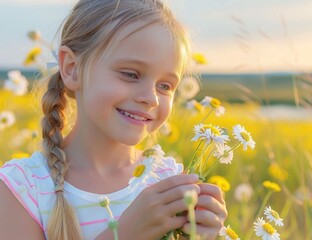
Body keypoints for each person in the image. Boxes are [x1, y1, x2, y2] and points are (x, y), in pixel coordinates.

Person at [0, 0, 227, 239]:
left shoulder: (167, 182)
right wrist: (125, 233)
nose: (151, 98)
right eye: (130, 74)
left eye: (165, 86)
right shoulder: (23, 188)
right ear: (71, 68)